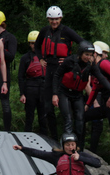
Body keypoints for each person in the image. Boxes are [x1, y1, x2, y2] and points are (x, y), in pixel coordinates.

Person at [53, 41, 110, 150]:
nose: (88, 57)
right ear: (80, 53)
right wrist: (55, 94)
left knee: (81, 119)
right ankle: (66, 147)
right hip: (64, 92)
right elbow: (57, 75)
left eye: (90, 55)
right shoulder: (69, 61)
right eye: (86, 55)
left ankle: (79, 147)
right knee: (68, 119)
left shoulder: (91, 65)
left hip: (77, 94)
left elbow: (101, 78)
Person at [35, 5, 84, 140]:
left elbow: (82, 43)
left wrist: (71, 59)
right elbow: (38, 46)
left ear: (60, 18)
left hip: (63, 69)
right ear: (48, 19)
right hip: (49, 68)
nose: (54, 22)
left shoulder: (67, 31)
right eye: (51, 19)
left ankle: (70, 138)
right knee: (48, 108)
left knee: (65, 108)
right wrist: (40, 59)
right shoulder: (45, 31)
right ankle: (54, 137)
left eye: (56, 19)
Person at [84, 42, 110, 143]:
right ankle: (78, 145)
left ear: (95, 55)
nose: (88, 58)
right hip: (107, 104)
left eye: (90, 55)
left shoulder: (103, 63)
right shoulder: (95, 68)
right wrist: (88, 104)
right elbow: (95, 88)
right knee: (84, 116)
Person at [0, 10, 17, 131]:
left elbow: (11, 56)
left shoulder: (10, 38)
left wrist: (0, 47)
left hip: (3, 73)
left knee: (4, 102)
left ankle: (7, 129)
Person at [18, 31, 47, 133]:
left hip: (44, 88)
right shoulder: (25, 58)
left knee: (44, 117)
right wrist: (22, 94)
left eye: (36, 43)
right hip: (30, 88)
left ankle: (46, 139)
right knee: (29, 117)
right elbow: (21, 77)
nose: (33, 45)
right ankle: (27, 139)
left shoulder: (47, 57)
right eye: (31, 43)